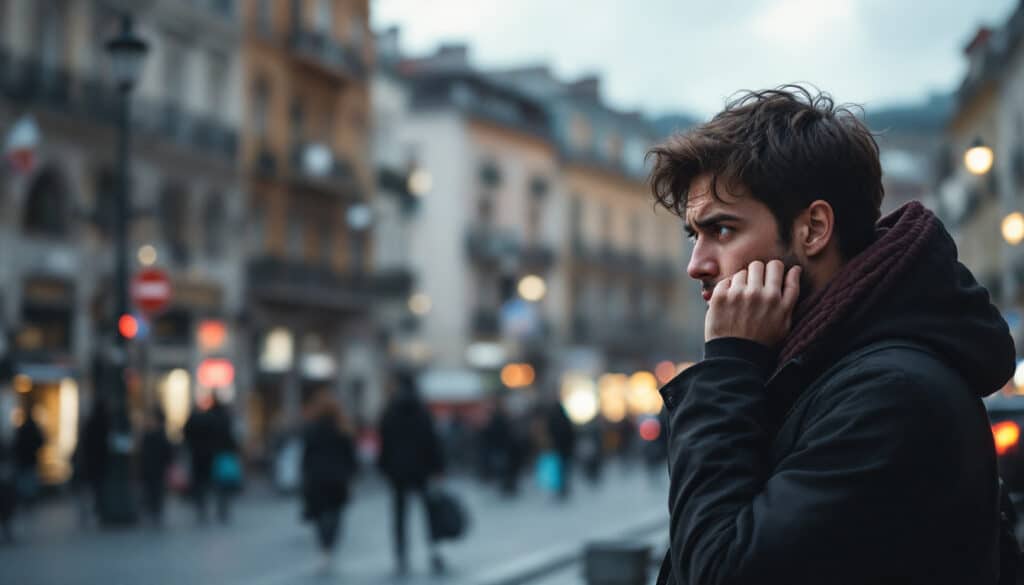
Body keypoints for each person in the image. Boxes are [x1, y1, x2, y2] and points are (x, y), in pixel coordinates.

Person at [646, 85, 1015, 584]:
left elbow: (722, 570)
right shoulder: (823, 368)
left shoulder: (890, 395)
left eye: (724, 230)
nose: (697, 265)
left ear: (814, 229)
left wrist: (731, 364)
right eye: (695, 236)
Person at [378, 370, 446, 576]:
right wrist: (437, 468)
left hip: (397, 471)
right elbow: (432, 442)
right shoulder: (422, 410)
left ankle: (401, 557)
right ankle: (434, 552)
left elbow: (384, 443)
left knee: (399, 516)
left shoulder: (390, 410)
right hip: (421, 470)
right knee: (429, 513)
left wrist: (385, 467)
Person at [301, 391, 356, 573]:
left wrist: (305, 474)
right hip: (338, 479)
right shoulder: (343, 430)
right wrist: (351, 474)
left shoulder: (311, 430)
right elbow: (350, 457)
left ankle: (324, 548)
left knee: (320, 514)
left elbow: (306, 456)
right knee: (335, 514)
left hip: (317, 478)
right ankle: (329, 547)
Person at [184, 395, 237, 524]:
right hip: (215, 455)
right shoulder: (220, 419)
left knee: (200, 483)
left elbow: (186, 435)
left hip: (199, 456)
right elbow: (229, 438)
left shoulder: (196, 418)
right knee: (219, 483)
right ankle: (220, 508)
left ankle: (201, 508)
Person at [138, 408, 173, 526]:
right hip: (152, 466)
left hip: (155, 466)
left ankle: (155, 509)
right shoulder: (155, 433)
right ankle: (153, 509)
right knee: (152, 487)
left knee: (155, 488)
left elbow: (165, 451)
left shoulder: (157, 433)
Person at [79, 398, 110, 524]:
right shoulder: (105, 423)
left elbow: (85, 443)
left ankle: (93, 510)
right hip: (100, 462)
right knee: (98, 487)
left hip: (91, 462)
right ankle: (98, 509)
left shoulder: (91, 423)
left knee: (92, 487)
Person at [12, 405, 43, 512]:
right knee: (30, 482)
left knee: (25, 483)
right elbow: (40, 441)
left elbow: (16, 445)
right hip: (30, 460)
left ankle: (27, 501)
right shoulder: (33, 428)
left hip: (24, 461)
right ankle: (30, 501)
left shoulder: (22, 429)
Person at [545, 400, 575, 500]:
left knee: (560, 470)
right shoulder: (564, 420)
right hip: (564, 450)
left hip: (558, 449)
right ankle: (563, 488)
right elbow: (571, 435)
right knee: (564, 470)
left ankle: (561, 488)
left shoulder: (553, 420)